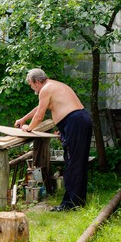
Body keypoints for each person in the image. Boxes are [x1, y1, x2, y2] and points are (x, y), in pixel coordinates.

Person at [14, 68, 92, 211]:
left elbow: (39, 116)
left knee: (73, 163)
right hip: (78, 121)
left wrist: (28, 128)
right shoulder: (54, 85)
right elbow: (39, 108)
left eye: (31, 85)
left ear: (37, 82)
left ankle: (70, 204)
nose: (32, 89)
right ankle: (78, 201)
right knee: (76, 162)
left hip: (75, 122)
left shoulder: (46, 89)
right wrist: (24, 119)